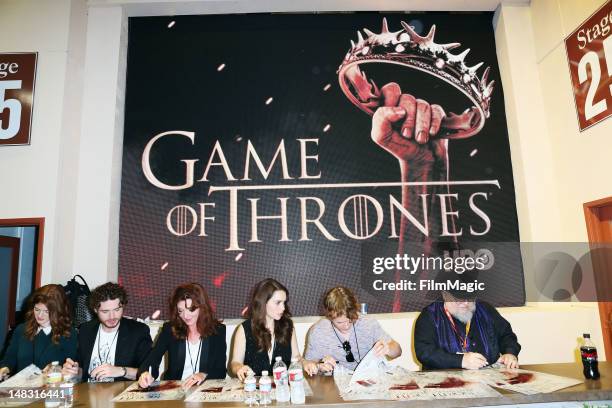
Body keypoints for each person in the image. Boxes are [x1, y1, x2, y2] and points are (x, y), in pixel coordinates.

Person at [138, 283, 226, 390]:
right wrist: (146, 373)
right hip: (175, 390)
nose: (185, 316)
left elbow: (220, 370)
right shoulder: (169, 329)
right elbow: (152, 359)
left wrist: (204, 375)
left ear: (202, 307)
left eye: (191, 309)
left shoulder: (218, 331)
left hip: (204, 389)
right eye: (180, 310)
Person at [62, 282, 152, 382]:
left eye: (117, 309)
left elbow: (149, 372)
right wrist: (74, 371)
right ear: (96, 310)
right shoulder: (85, 330)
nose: (112, 316)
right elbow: (81, 373)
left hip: (120, 394)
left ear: (123, 306)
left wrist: (122, 371)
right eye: (105, 311)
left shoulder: (138, 331)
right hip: (89, 393)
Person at [414, 288, 521, 370]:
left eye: (469, 298)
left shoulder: (485, 309)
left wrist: (510, 353)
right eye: (459, 299)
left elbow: (506, 335)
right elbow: (424, 352)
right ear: (445, 295)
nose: (465, 303)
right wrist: (460, 361)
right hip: (444, 385)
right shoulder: (430, 316)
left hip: (487, 381)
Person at [303, 286, 401, 375]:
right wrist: (319, 366)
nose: (346, 326)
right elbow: (309, 363)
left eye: (350, 320)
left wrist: (388, 348)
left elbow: (398, 351)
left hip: (370, 378)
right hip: (336, 383)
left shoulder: (368, 323)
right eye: (339, 323)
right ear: (329, 317)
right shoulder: (318, 331)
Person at [0, 285, 77, 381]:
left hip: (50, 390)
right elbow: (9, 358)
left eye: (46, 311)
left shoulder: (68, 334)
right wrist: (4, 369)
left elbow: (70, 369)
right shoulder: (21, 329)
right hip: (22, 389)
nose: (40, 315)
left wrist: (60, 370)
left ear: (57, 311)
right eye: (37, 309)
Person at [230, 278, 302, 380]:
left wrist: (305, 363)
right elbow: (235, 363)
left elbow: (296, 357)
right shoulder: (244, 329)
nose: (283, 308)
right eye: (278, 303)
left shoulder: (288, 326)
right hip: (253, 389)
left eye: (284, 303)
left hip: (282, 387)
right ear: (263, 303)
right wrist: (239, 368)